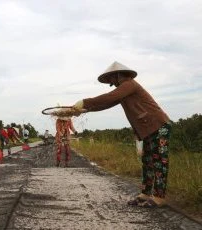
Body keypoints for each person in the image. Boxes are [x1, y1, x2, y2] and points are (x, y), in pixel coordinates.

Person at [72, 61, 171, 208]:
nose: (111, 83)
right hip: (146, 129)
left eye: (111, 79)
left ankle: (159, 197)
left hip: (158, 126)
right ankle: (145, 193)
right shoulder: (123, 90)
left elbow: (108, 97)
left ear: (118, 75)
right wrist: (86, 110)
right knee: (147, 161)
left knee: (159, 162)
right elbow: (106, 104)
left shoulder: (129, 84)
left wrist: (84, 102)